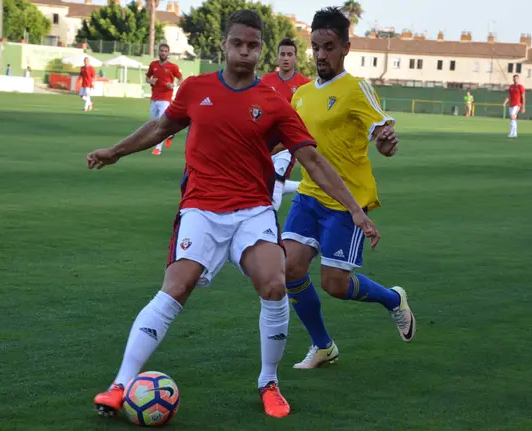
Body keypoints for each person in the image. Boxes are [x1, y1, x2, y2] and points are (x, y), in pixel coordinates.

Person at [87, 9, 380, 419]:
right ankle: (120, 385)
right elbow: (159, 129)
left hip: (252, 211)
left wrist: (356, 210)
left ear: (261, 50)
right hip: (201, 208)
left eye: (253, 45)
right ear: (224, 45)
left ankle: (269, 382)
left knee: (275, 284)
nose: (245, 52)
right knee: (176, 286)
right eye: (238, 43)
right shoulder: (195, 89)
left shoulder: (273, 103)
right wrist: (114, 151)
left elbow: (312, 161)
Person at [281, 7, 415, 370]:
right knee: (290, 268)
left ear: (345, 48)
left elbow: (382, 136)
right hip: (309, 194)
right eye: (315, 47)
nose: (321, 55)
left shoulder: (357, 89)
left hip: (346, 201)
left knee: (335, 285)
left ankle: (392, 300)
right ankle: (322, 345)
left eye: (328, 47)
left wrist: (386, 143)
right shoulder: (303, 94)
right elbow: (288, 139)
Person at [261, 37, 312, 210]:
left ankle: (270, 224)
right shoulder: (265, 81)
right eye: (282, 54)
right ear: (277, 57)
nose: (285, 58)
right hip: (266, 140)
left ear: (295, 58)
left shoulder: (305, 85)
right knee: (264, 182)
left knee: (276, 179)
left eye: (289, 54)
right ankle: (305, 187)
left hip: (288, 144)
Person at [146, 43, 183, 155]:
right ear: (158, 52)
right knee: (153, 122)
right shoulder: (153, 65)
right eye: (161, 50)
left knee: (161, 123)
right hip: (154, 97)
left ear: (168, 53)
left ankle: (158, 148)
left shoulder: (173, 67)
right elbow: (147, 77)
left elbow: (181, 79)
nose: (163, 53)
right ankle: (170, 134)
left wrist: (174, 85)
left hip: (165, 98)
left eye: (165, 51)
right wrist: (150, 81)